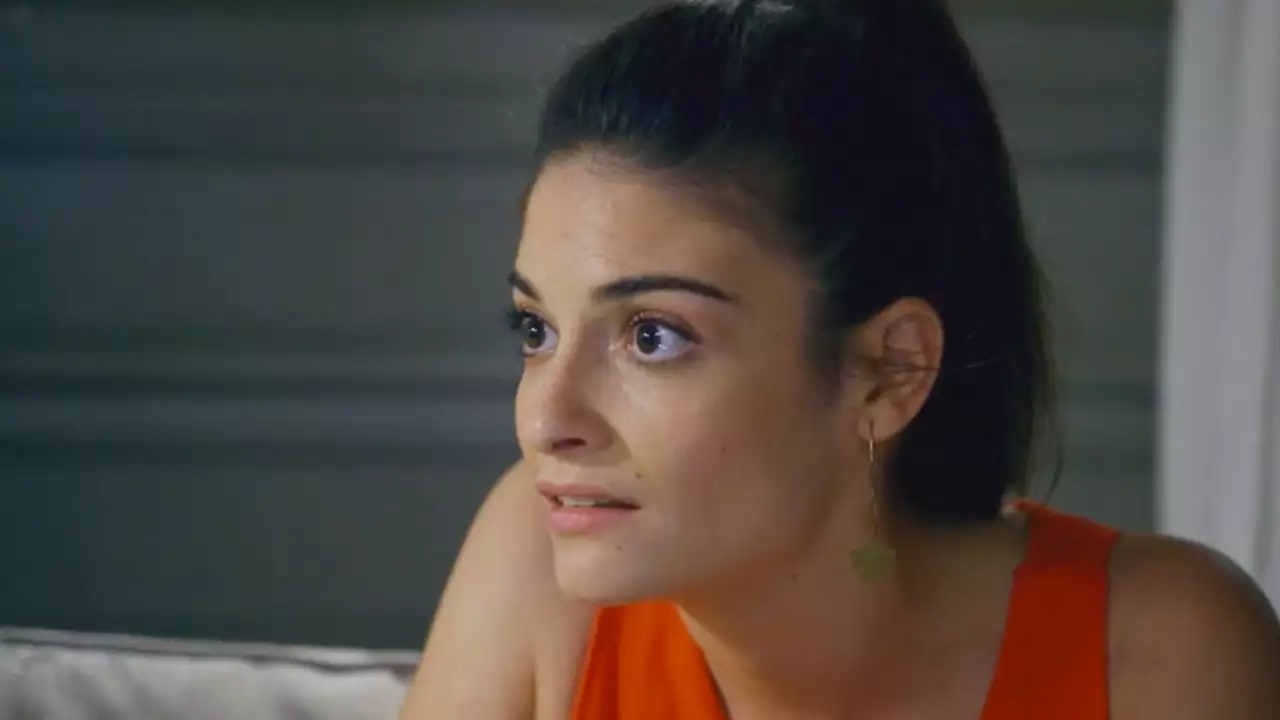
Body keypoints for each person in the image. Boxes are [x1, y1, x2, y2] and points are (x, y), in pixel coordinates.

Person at [399, 1, 1280, 717]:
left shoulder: (1159, 654)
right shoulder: (538, 562)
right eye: (536, 330)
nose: (546, 421)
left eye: (653, 336)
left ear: (891, 372)